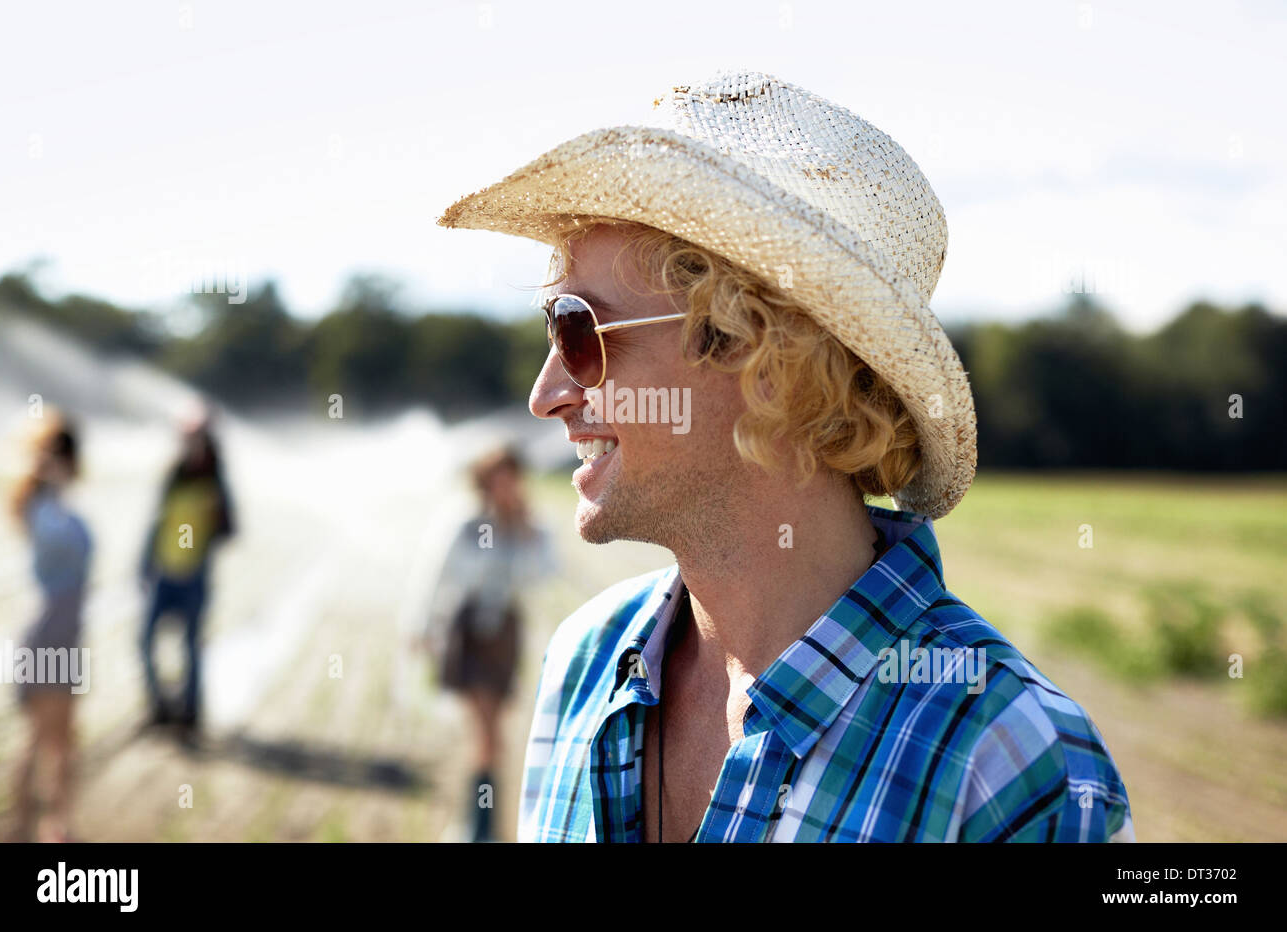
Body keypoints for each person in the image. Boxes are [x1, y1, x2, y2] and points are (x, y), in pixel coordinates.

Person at [437, 70, 1134, 842]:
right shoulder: (584, 666)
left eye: (579, 332)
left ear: (767, 358)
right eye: (551, 327)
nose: (547, 395)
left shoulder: (1013, 767)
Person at [414, 445, 556, 842]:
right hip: (468, 632)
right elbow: (437, 572)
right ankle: (479, 828)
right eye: (498, 477)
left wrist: (523, 531)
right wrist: (422, 627)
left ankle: (481, 822)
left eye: (512, 477)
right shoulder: (464, 522)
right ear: (484, 481)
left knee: (492, 736)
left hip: (505, 633)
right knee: (486, 733)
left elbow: (543, 574)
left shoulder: (531, 526)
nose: (506, 485)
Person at [9, 414, 92, 843]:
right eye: (56, 454)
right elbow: (49, 535)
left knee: (63, 740)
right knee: (43, 739)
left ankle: (53, 827)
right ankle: (25, 826)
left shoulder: (55, 508)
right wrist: (46, 473)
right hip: (49, 632)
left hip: (68, 633)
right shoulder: (42, 510)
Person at [139, 412, 235, 739]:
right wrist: (144, 564)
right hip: (164, 572)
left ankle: (189, 712)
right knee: (145, 641)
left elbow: (229, 530)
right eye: (186, 438)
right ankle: (160, 707)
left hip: (194, 576)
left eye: (195, 439)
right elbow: (156, 522)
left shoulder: (216, 483)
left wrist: (213, 521)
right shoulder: (173, 476)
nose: (189, 445)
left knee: (190, 647)